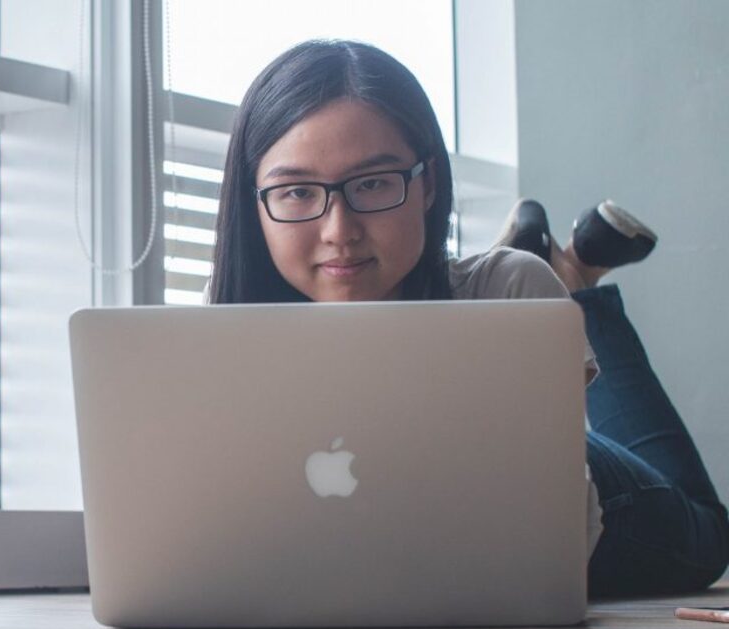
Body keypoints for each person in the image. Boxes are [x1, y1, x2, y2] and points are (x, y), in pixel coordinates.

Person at [206, 39, 729, 597]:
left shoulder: (512, 288)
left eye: (373, 183)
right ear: (254, 202)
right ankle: (575, 273)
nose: (339, 230)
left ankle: (577, 289)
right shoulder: (215, 345)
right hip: (505, 389)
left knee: (710, 531)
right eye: (297, 191)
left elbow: (550, 543)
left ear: (427, 184)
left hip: (607, 514)